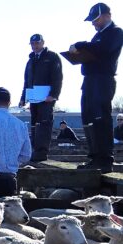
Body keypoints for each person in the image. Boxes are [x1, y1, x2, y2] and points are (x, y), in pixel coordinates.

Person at [70, 3, 123, 171]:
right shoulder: (97, 36)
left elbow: (103, 49)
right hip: (90, 80)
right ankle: (94, 156)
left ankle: (105, 159)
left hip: (103, 80)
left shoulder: (116, 32)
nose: (93, 23)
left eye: (96, 19)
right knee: (88, 118)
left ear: (107, 15)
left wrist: (80, 44)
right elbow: (95, 49)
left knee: (101, 118)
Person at [16, 34, 63, 162]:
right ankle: (35, 149)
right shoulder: (30, 61)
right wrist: (23, 97)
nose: (35, 46)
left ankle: (42, 152)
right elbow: (27, 81)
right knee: (34, 123)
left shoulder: (52, 57)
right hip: (33, 97)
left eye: (37, 43)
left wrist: (54, 94)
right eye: (32, 44)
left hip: (46, 97)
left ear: (43, 43)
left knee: (44, 123)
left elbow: (57, 77)